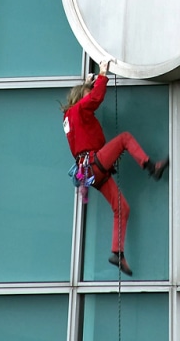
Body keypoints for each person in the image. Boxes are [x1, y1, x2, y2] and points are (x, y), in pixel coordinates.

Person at [62, 59, 169, 277]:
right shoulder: (78, 111)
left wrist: (88, 83)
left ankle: (117, 253)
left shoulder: (70, 119)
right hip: (92, 163)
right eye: (85, 95)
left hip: (89, 172)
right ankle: (152, 167)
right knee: (124, 138)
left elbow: (86, 130)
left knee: (122, 208)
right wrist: (102, 74)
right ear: (80, 99)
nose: (89, 100)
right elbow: (95, 98)